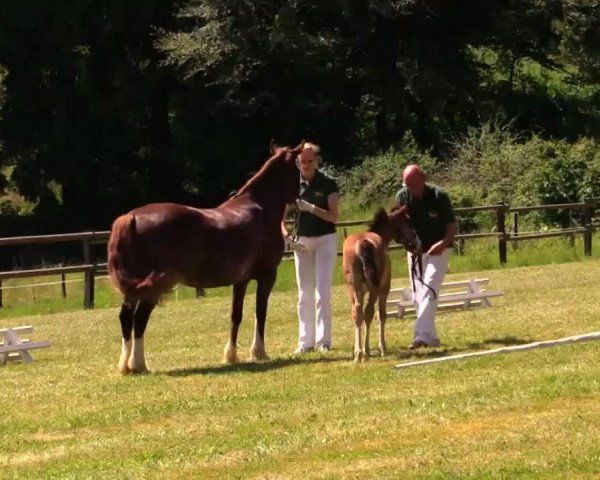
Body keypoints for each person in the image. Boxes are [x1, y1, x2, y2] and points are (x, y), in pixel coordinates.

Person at [282, 142, 339, 353]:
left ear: (316, 161)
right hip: (302, 241)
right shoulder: (292, 184)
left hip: (325, 238)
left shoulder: (328, 183)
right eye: (302, 162)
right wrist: (287, 236)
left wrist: (311, 208)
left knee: (322, 291)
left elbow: (333, 216)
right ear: (297, 162)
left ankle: (323, 341)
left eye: (309, 161)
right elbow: (281, 218)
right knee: (304, 293)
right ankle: (305, 343)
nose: (305, 165)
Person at [395, 164, 457, 349]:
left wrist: (443, 244)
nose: (410, 188)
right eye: (406, 184)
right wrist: (407, 244)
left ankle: (420, 337)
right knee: (418, 295)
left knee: (429, 288)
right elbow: (399, 227)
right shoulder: (402, 197)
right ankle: (432, 338)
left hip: (439, 249)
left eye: (413, 184)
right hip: (415, 251)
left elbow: (451, 227)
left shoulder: (439, 196)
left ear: (423, 179)